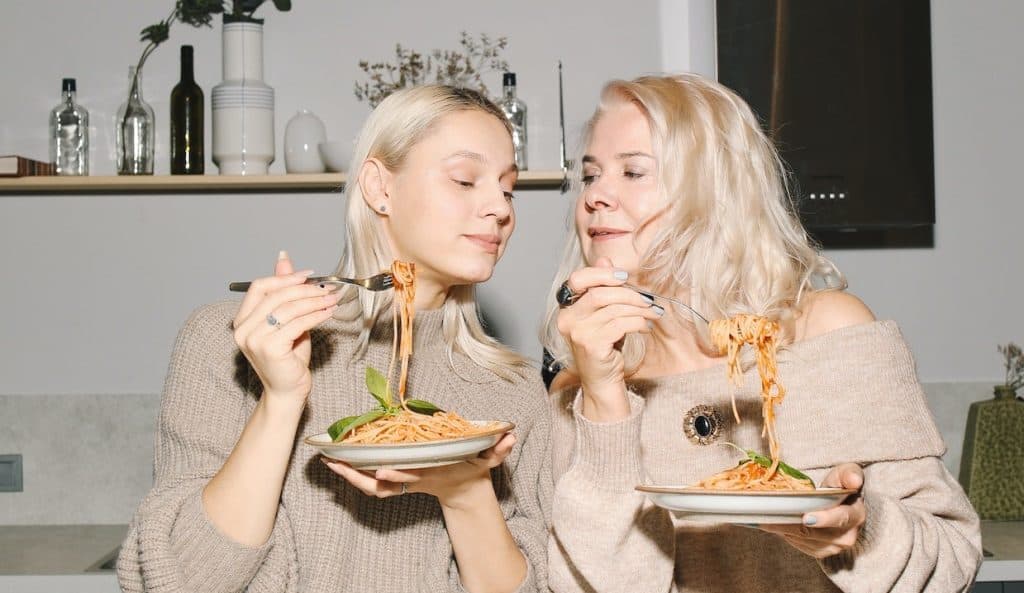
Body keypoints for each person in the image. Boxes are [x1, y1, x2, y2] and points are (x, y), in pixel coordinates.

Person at [541, 74, 982, 593]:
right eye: (591, 175)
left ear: (714, 191)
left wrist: (861, 532)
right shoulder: (580, 385)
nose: (596, 196)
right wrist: (605, 401)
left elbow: (952, 558)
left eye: (633, 171)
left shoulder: (829, 333)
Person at [117, 85, 551, 593]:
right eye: (465, 179)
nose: (499, 207)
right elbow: (179, 582)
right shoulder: (231, 341)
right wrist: (281, 400)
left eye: (508, 188)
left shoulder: (513, 390)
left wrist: (466, 491)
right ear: (378, 186)